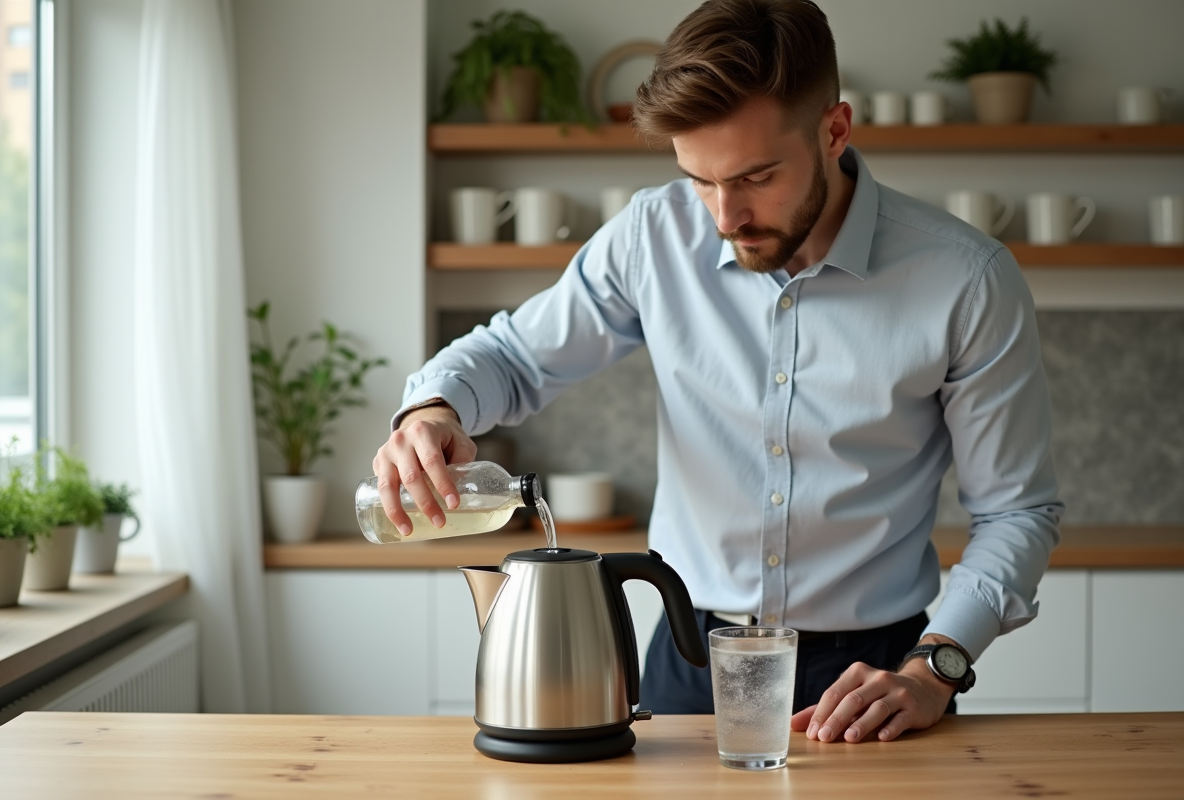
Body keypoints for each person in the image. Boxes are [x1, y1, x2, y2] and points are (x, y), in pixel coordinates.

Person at [374, 0, 1063, 745]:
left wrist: (935, 669)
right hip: (686, 656)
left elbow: (1016, 512)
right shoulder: (652, 234)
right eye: (699, 179)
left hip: (877, 675)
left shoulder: (967, 279)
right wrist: (434, 410)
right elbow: (512, 356)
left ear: (835, 131)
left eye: (756, 176)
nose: (725, 217)